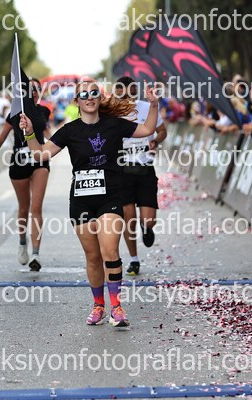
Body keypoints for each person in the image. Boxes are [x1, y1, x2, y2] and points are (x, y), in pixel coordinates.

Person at [19, 80, 160, 327]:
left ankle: (116, 307)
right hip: (82, 201)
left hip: (111, 196)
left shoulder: (114, 124)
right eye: (83, 94)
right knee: (93, 257)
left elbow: (148, 128)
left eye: (94, 92)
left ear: (99, 97)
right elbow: (40, 154)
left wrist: (154, 105)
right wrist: (30, 133)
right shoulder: (69, 131)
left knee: (110, 251)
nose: (89, 97)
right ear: (77, 101)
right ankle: (98, 306)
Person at [0, 78, 51, 271]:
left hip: (39, 161)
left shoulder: (43, 111)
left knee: (36, 207)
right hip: (19, 162)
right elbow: (1, 138)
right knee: (24, 208)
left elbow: (50, 135)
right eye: (29, 89)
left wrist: (69, 143)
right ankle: (23, 242)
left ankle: (36, 254)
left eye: (37, 89)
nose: (33, 92)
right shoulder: (14, 114)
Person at [114, 77, 167, 275]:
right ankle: (134, 259)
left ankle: (147, 228)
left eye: (131, 91)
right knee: (128, 218)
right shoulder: (112, 112)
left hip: (145, 169)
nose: (128, 96)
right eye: (123, 93)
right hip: (122, 171)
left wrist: (156, 141)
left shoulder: (146, 107)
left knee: (149, 220)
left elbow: (162, 131)